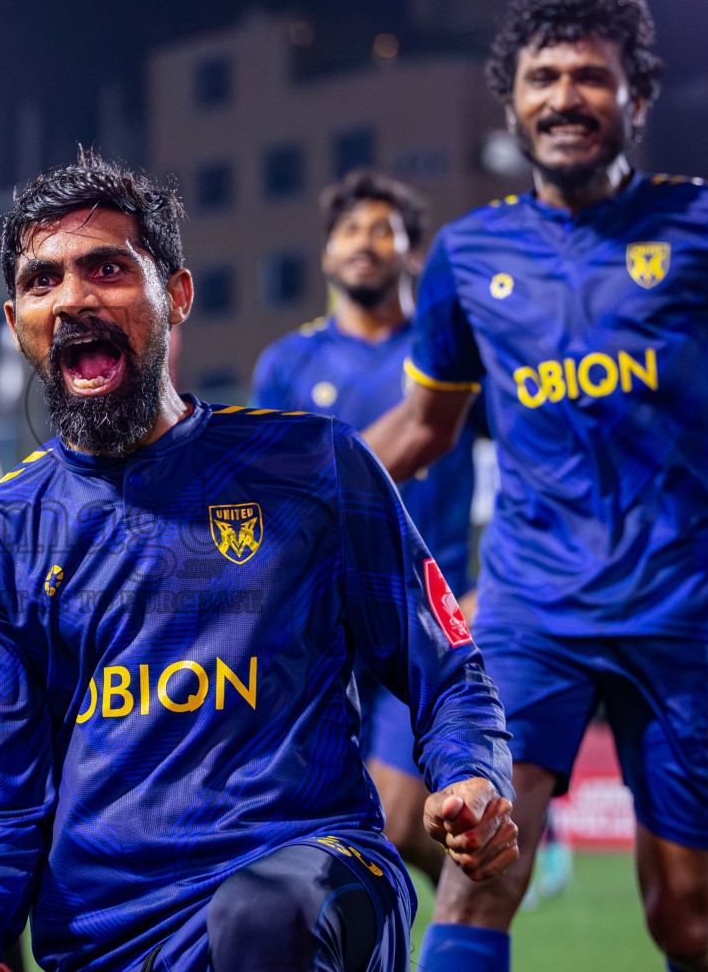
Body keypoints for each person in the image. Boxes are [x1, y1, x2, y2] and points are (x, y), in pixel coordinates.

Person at [363, 0, 708, 972]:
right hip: (530, 612)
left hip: (683, 616)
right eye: (543, 76)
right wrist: (291, 482)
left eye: (592, 76)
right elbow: (426, 424)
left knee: (682, 921)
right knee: (479, 875)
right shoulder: (471, 255)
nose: (566, 96)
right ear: (510, 99)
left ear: (638, 95)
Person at [0, 152, 517, 972]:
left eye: (109, 268)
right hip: (105, 936)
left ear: (176, 297)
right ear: (18, 321)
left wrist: (472, 775)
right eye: (45, 280)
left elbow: (446, 670)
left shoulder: (315, 464)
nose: (77, 297)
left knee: (264, 919)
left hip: (318, 880)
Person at [249, 170, 480, 885]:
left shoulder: (450, 355)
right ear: (325, 255)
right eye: (350, 230)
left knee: (391, 819)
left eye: (385, 229)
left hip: (423, 613)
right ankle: (489, 882)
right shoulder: (288, 364)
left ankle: (492, 873)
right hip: (321, 620)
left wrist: (488, 586)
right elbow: (263, 502)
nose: (365, 243)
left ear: (413, 252)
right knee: (346, 823)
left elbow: (533, 461)